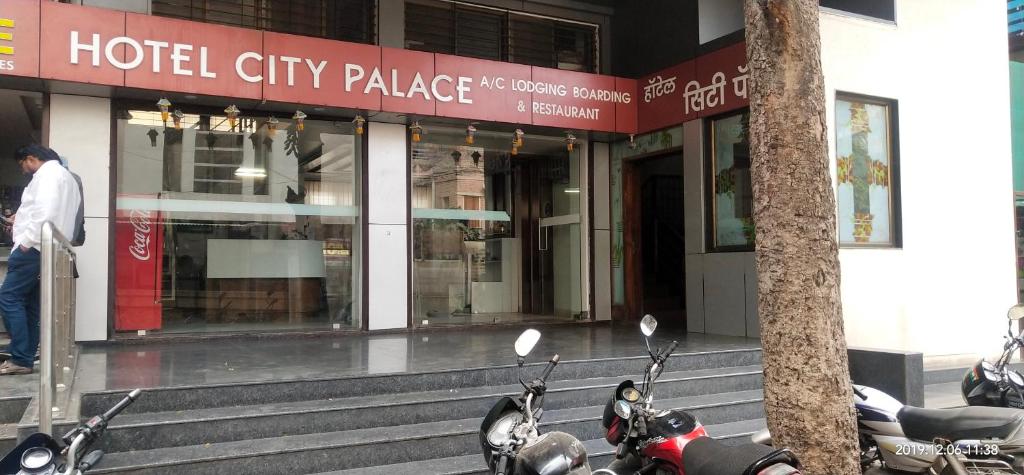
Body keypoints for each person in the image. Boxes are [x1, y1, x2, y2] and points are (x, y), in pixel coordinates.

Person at [0, 145, 81, 375]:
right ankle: (24, 355)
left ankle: (21, 355)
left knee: (9, 297)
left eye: (23, 164)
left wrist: (25, 242)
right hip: (49, 249)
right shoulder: (68, 179)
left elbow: (44, 213)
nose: (24, 169)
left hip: (34, 247)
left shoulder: (46, 176)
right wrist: (20, 217)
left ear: (32, 159)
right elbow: (52, 211)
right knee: (32, 304)